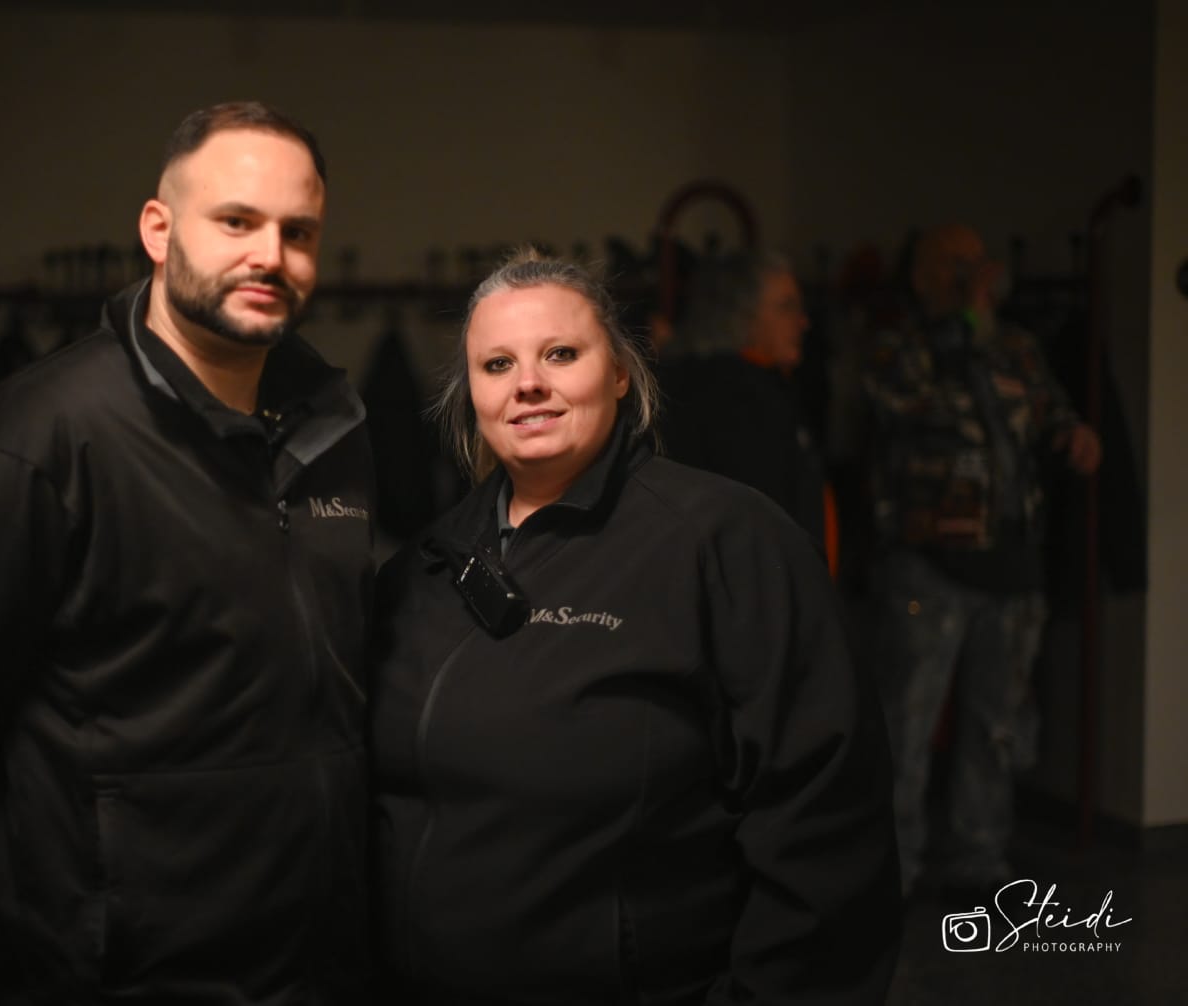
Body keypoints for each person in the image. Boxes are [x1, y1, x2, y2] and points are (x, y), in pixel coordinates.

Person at [0, 101, 376, 1004]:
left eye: (298, 232)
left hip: (316, 956)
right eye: (237, 221)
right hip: (124, 971)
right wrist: (53, 914)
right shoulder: (28, 441)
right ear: (158, 230)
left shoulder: (334, 427)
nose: (271, 255)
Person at [369, 248, 901, 1004]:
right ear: (472, 394)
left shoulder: (726, 541)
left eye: (561, 354)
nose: (528, 383)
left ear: (619, 372)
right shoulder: (421, 568)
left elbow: (826, 824)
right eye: (497, 364)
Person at [863, 223, 1102, 898]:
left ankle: (980, 858)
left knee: (996, 724)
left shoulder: (1016, 346)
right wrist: (960, 325)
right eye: (952, 264)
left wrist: (1076, 435)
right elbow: (904, 406)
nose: (971, 275)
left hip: (1013, 564)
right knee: (907, 721)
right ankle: (894, 867)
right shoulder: (897, 346)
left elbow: (1050, 413)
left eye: (977, 262)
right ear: (921, 276)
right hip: (928, 561)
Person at [654, 250, 838, 574]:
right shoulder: (731, 395)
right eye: (786, 307)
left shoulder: (765, 384)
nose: (802, 321)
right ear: (740, 313)